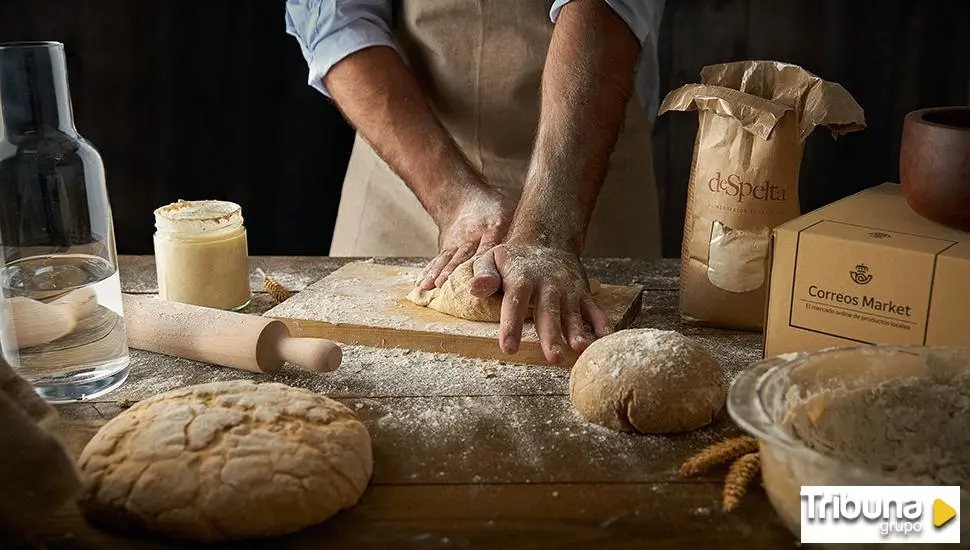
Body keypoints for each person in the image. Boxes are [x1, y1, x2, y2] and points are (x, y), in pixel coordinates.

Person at [285, 0, 665, 364]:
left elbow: (603, 8)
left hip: (583, 169)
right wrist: (451, 196)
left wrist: (549, 231)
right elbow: (334, 20)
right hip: (404, 172)